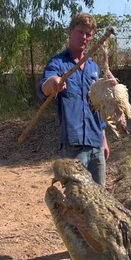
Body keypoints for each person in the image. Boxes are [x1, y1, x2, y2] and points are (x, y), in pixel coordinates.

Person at [37, 13, 109, 187]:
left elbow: (97, 106)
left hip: (95, 143)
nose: (84, 37)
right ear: (70, 31)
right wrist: (53, 83)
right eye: (80, 32)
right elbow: (43, 89)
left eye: (89, 34)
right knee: (76, 198)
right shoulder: (58, 63)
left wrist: (104, 139)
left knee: (100, 199)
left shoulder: (93, 67)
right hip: (72, 145)